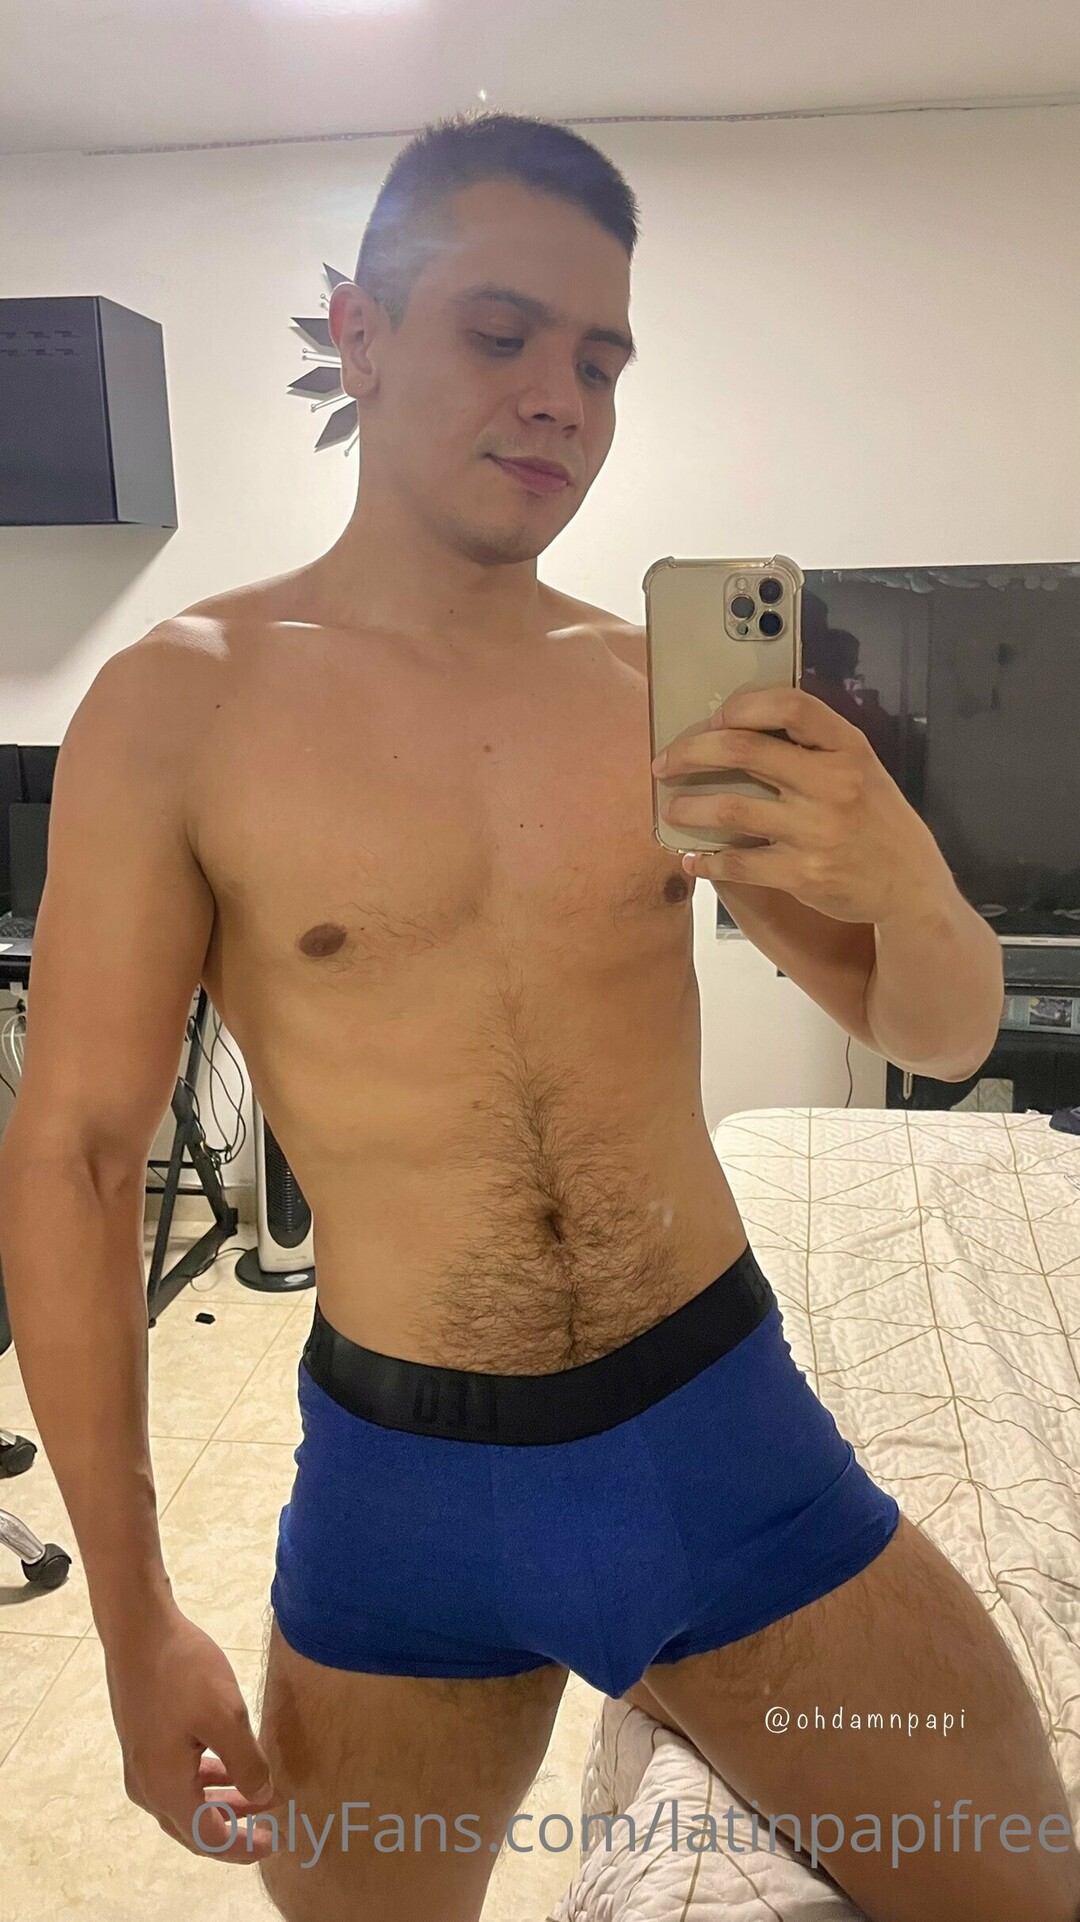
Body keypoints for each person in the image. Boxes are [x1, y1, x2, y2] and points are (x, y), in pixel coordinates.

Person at [0, 112, 1076, 1922]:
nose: (557, 400)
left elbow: (944, 1032)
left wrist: (907, 875)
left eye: (600, 360)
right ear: (359, 333)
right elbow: (82, 1157)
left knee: (1026, 1891)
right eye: (501, 333)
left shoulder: (653, 690)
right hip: (402, 1503)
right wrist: (130, 1614)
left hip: (722, 1441)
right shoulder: (180, 708)